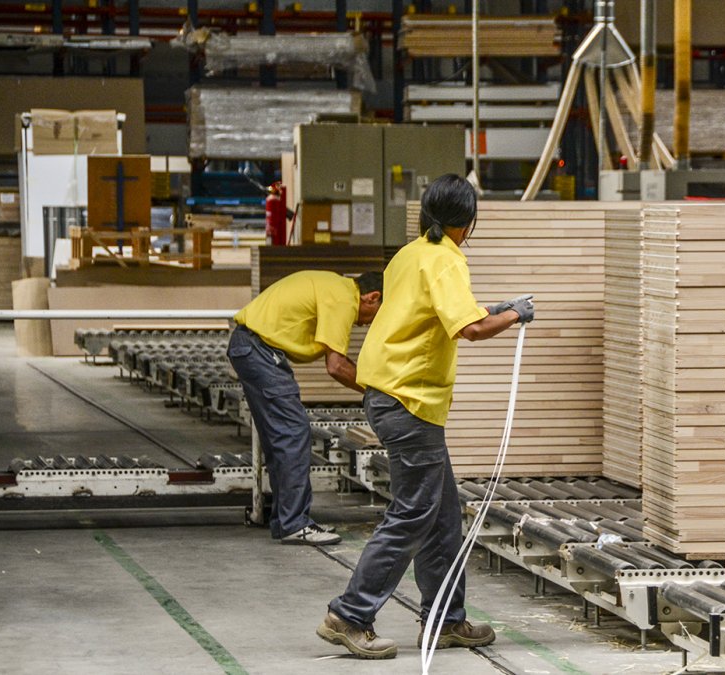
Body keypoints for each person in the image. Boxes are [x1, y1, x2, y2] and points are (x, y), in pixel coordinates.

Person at [316, 174, 533, 659]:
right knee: (414, 512)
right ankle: (349, 615)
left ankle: (446, 619)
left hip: (392, 394)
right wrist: (515, 314)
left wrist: (493, 310)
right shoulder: (445, 259)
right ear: (467, 222)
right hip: (408, 400)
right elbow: (471, 330)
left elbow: (439, 314)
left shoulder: (409, 255)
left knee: (442, 516)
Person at [228, 270, 384, 546]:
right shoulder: (343, 300)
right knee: (293, 433)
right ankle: (294, 523)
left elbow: (338, 357)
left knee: (281, 438)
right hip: (260, 352)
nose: (367, 325)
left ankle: (284, 521)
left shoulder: (336, 288)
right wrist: (377, 392)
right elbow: (336, 366)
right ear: (373, 298)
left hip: (254, 349)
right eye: (376, 316)